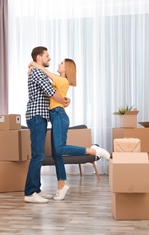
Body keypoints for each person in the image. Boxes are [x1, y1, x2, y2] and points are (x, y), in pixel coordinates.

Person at [29, 58, 110, 201]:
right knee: (56, 154)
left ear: (66, 69)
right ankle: (61, 186)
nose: (59, 64)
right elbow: (46, 87)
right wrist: (31, 69)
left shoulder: (62, 80)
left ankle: (94, 151)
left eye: (62, 64)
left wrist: (33, 64)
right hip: (56, 116)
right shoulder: (59, 81)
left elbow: (45, 72)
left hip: (59, 115)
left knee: (59, 148)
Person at [24, 46, 71, 204]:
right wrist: (63, 100)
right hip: (37, 116)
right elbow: (51, 92)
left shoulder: (35, 70)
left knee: (39, 154)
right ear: (39, 58)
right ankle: (30, 193)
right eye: (47, 56)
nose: (49, 58)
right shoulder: (37, 72)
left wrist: (64, 99)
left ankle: (36, 189)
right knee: (38, 155)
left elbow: (53, 90)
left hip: (40, 116)